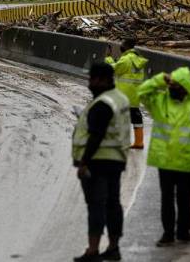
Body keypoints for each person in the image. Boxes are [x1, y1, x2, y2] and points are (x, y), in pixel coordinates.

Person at [138, 67, 190, 246]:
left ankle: (183, 232)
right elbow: (141, 92)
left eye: (176, 86)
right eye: (171, 86)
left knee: (183, 199)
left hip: (187, 160)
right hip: (164, 160)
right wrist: (160, 78)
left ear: (185, 86)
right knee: (167, 199)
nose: (172, 89)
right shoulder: (160, 101)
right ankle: (168, 234)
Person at [72, 63, 131, 262]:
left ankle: (93, 250)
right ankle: (113, 248)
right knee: (113, 204)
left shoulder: (102, 104)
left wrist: (84, 162)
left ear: (104, 80)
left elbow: (96, 136)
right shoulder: (120, 98)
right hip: (116, 160)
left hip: (98, 161)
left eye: (93, 79)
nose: (90, 83)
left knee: (96, 205)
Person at [105, 39, 149, 149]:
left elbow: (113, 69)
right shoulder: (138, 60)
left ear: (126, 46)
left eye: (122, 45)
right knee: (136, 118)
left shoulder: (126, 59)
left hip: (124, 95)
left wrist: (108, 58)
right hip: (134, 96)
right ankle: (139, 142)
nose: (121, 46)